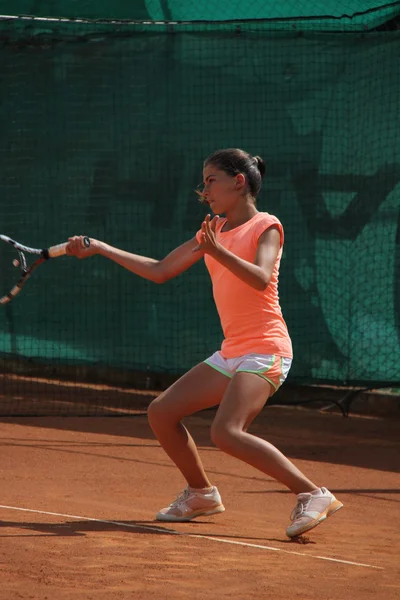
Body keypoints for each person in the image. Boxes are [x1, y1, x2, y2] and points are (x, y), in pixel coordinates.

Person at [66, 148, 343, 538]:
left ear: (239, 181)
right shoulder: (212, 232)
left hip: (266, 348)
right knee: (161, 412)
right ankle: (201, 494)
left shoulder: (267, 225)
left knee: (226, 432)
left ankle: (312, 493)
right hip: (232, 351)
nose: (205, 189)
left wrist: (218, 250)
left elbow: (262, 278)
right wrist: (101, 248)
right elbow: (161, 270)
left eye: (212, 180)